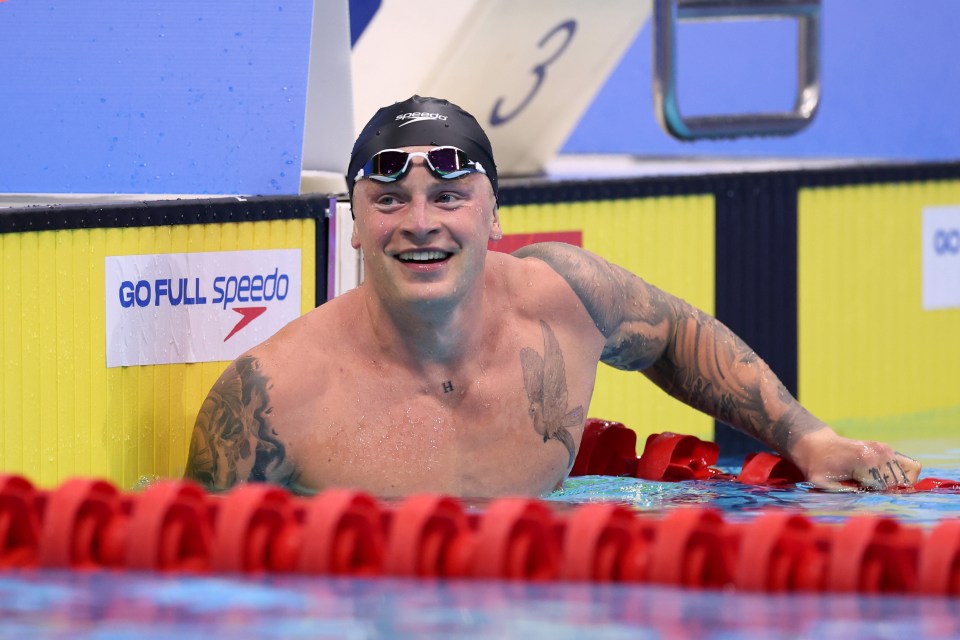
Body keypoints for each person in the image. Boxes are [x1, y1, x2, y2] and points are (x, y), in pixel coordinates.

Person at [184, 95, 921, 497]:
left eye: (448, 196)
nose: (419, 224)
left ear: (494, 214)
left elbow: (675, 335)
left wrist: (808, 438)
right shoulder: (272, 401)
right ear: (352, 224)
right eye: (389, 200)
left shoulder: (565, 296)